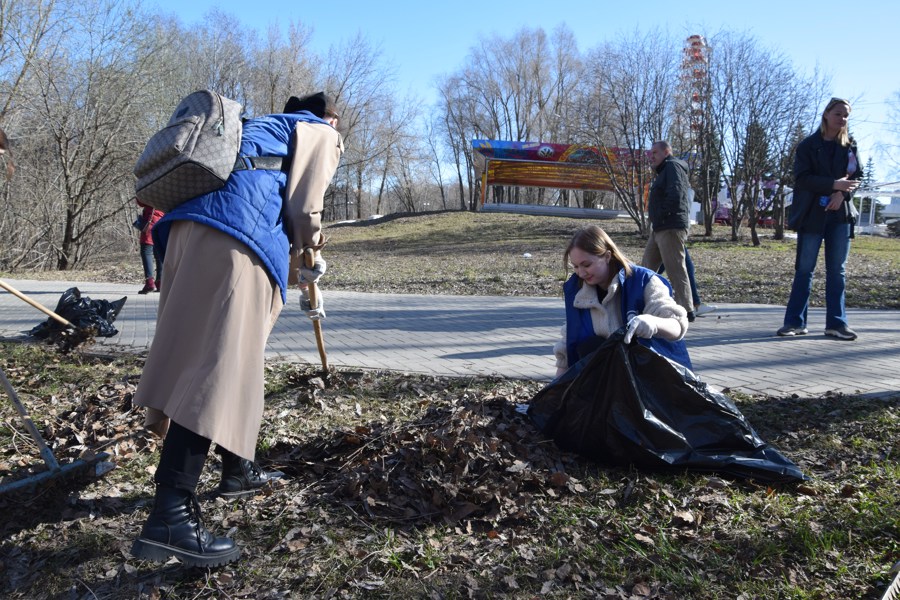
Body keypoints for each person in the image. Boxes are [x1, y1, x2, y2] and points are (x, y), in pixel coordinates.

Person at [129, 92, 343, 567]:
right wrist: (313, 251)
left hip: (187, 234)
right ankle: (170, 517)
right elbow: (306, 207)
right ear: (328, 115)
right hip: (234, 240)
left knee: (218, 358)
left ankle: (237, 469)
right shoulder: (320, 131)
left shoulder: (262, 124)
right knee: (216, 369)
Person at [553, 225, 691, 378]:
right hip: (608, 382)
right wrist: (553, 395)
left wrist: (653, 322)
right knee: (589, 347)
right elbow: (568, 347)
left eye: (587, 265)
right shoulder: (578, 292)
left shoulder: (643, 281)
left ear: (607, 256)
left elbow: (677, 326)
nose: (581, 273)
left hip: (653, 379)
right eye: (576, 267)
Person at [778, 97, 862, 340]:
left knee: (837, 271)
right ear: (826, 114)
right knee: (804, 270)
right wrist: (832, 184)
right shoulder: (808, 146)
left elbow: (857, 175)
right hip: (812, 217)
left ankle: (837, 324)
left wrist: (840, 193)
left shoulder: (850, 146)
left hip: (841, 216)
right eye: (838, 114)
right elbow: (802, 179)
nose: (843, 119)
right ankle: (795, 322)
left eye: (846, 115)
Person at [640, 140, 695, 321]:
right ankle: (641, 303)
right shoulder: (664, 171)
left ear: (667, 152)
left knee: (675, 269)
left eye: (655, 152)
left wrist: (663, 215)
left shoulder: (672, 167)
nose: (652, 156)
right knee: (646, 268)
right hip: (660, 228)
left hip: (670, 226)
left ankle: (686, 310)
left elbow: (676, 194)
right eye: (651, 153)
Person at [657, 247, 717, 316]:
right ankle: (694, 304)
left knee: (655, 265)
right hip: (672, 237)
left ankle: (694, 303)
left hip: (664, 237)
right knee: (687, 268)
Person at [135, 198, 164, 294]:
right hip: (163, 222)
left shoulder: (151, 186)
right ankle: (160, 282)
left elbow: (141, 202)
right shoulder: (168, 187)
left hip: (150, 222)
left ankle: (149, 283)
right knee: (159, 254)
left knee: (146, 251)